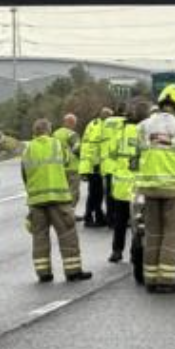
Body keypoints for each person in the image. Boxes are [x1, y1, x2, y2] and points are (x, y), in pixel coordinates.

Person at [135, 85, 175, 293]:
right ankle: (167, 281)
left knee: (153, 234)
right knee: (173, 234)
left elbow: (136, 155)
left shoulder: (142, 126)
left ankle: (150, 280)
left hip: (150, 188)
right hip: (174, 188)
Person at [22, 118, 92, 283]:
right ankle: (73, 271)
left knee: (39, 237)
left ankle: (43, 273)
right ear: (48, 130)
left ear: (34, 132)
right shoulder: (57, 145)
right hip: (58, 198)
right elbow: (68, 162)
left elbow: (24, 175)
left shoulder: (27, 149)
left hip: (37, 201)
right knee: (67, 234)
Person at [108, 100, 148, 263]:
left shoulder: (121, 130)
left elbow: (111, 151)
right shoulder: (144, 131)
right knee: (137, 223)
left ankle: (117, 251)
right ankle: (134, 253)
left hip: (120, 183)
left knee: (120, 221)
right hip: (138, 185)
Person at [78, 107, 110, 227]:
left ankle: (97, 216)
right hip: (94, 165)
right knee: (95, 194)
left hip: (90, 164)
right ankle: (90, 217)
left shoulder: (92, 124)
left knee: (95, 193)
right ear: (105, 116)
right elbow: (96, 147)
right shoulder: (100, 126)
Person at [100, 102, 127, 228]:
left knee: (109, 194)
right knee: (121, 194)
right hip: (119, 163)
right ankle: (120, 220)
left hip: (107, 163)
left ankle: (110, 219)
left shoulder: (106, 122)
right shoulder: (125, 122)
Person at [52, 113, 81, 212]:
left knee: (62, 193)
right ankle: (70, 213)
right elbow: (77, 149)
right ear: (71, 123)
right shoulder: (71, 134)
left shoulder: (55, 134)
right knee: (74, 193)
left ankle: (62, 212)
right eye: (74, 123)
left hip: (59, 168)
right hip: (72, 168)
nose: (75, 125)